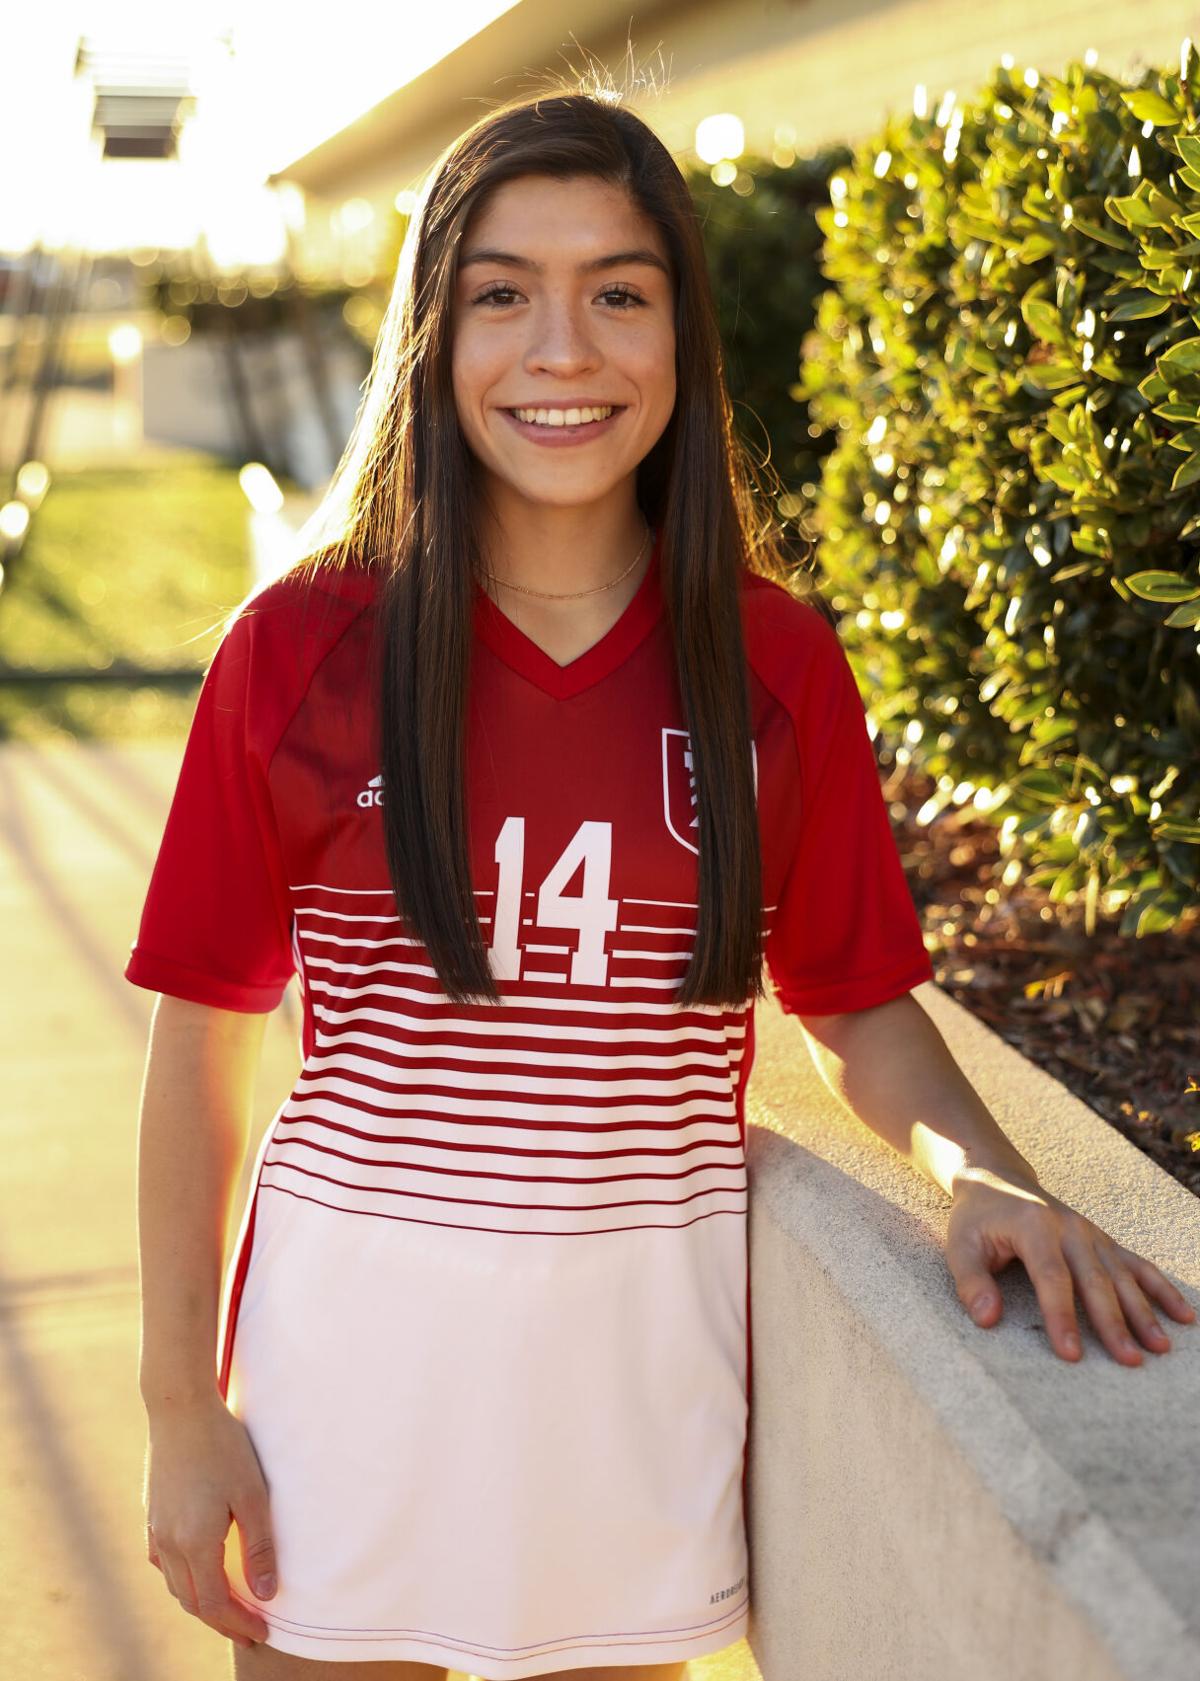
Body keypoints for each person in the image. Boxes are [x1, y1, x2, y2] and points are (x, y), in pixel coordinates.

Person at [125, 83, 1195, 1681]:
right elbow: (202, 1051)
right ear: (435, 336)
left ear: (683, 339)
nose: (564, 349)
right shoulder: (301, 653)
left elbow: (855, 1002)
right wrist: (177, 1402)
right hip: (340, 1402)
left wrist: (991, 1176)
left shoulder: (773, 665)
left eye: (618, 292)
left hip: (634, 1403)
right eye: (503, 293)